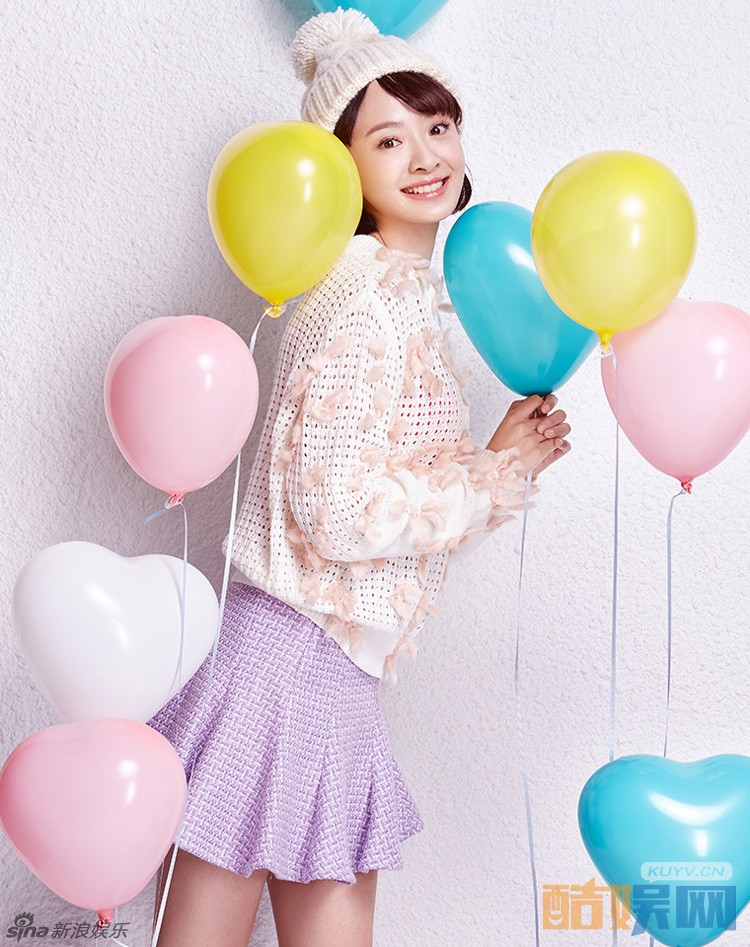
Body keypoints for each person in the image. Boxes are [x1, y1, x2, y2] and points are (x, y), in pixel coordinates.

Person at [147, 8, 571, 946]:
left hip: (325, 671)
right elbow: (337, 513)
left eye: (438, 125)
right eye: (389, 138)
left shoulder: (394, 293)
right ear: (345, 167)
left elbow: (371, 517)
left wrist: (491, 465)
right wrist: (491, 476)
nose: (426, 154)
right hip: (284, 662)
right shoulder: (363, 301)